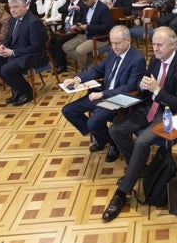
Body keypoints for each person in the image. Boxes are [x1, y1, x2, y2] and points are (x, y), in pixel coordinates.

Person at [103, 27, 177, 222]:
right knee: (115, 129)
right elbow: (144, 90)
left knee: (142, 142)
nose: (155, 48)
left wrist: (158, 90)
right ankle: (139, 169)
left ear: (173, 45)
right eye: (153, 44)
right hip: (148, 108)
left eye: (159, 45)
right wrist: (142, 86)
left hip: (167, 114)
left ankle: (122, 193)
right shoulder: (154, 60)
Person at [62, 26, 146, 162]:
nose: (114, 46)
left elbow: (130, 87)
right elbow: (97, 70)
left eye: (117, 43)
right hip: (102, 94)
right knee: (68, 110)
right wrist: (77, 79)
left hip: (119, 99)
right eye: (112, 43)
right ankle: (103, 138)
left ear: (128, 40)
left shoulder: (137, 59)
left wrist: (103, 94)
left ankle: (112, 144)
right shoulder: (113, 53)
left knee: (93, 122)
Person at [0, 0, 48, 106]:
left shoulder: (33, 22)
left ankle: (28, 92)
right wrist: (3, 47)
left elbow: (36, 47)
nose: (13, 10)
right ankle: (18, 89)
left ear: (25, 6)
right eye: (11, 7)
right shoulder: (13, 19)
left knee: (6, 69)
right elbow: (8, 38)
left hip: (34, 55)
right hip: (17, 53)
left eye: (16, 7)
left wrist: (13, 52)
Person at [61, 0, 113, 69]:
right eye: (83, 1)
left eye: (86, 0)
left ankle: (84, 72)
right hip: (86, 34)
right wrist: (78, 25)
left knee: (80, 50)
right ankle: (90, 63)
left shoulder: (103, 8)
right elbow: (84, 21)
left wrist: (87, 27)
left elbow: (106, 27)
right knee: (66, 47)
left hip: (99, 38)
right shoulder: (87, 7)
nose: (84, 3)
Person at [51, 0, 84, 73]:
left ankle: (62, 65)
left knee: (59, 40)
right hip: (66, 27)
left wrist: (79, 9)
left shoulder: (82, 3)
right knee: (52, 37)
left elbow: (84, 19)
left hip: (76, 30)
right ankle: (57, 61)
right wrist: (70, 8)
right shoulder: (69, 2)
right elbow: (60, 9)